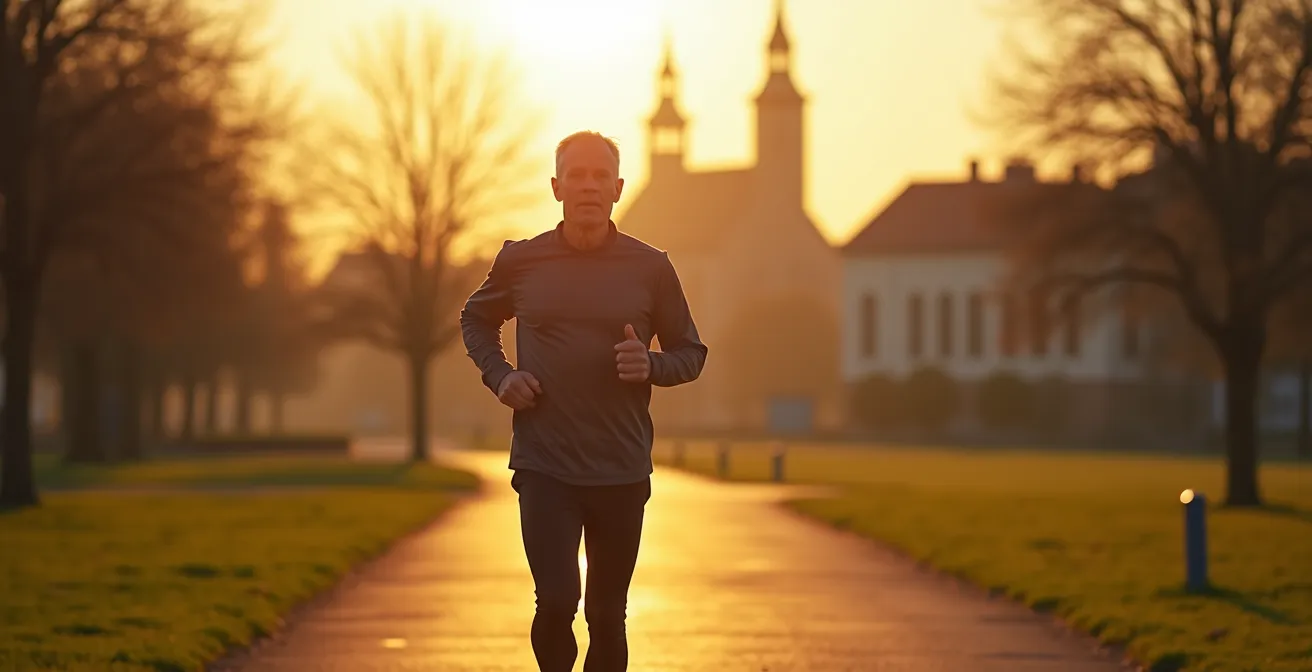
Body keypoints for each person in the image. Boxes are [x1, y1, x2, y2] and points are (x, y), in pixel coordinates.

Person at [459, 130, 707, 671]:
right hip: (545, 466)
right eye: (577, 175)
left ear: (618, 188)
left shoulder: (651, 268)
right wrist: (500, 376)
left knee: (606, 613)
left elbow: (691, 352)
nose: (589, 186)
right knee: (555, 601)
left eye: (601, 177)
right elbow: (474, 319)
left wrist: (653, 364)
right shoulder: (521, 261)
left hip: (620, 468)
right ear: (556, 186)